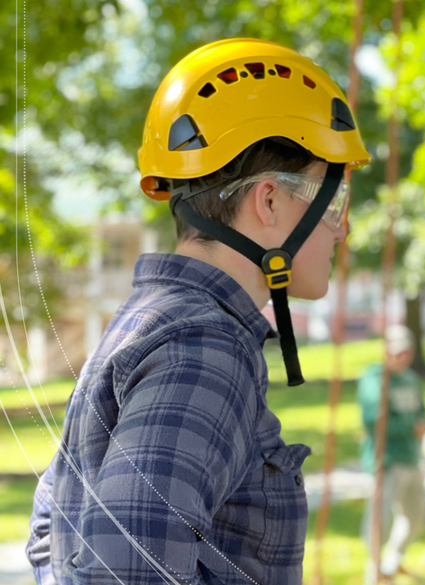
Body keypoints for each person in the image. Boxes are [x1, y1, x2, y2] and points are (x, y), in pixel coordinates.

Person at [26, 38, 369, 585]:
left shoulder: (150, 320)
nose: (343, 228)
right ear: (270, 201)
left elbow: (52, 529)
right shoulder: (203, 348)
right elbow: (121, 574)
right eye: (336, 202)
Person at [358, 325, 425, 583]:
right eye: (396, 352)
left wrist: (421, 424)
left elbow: (422, 410)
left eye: (406, 352)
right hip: (386, 459)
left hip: (412, 456)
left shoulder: (412, 379)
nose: (402, 357)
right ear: (386, 351)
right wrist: (410, 426)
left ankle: (392, 562)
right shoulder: (374, 378)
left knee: (416, 514)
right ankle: (374, 569)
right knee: (380, 518)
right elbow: (375, 420)